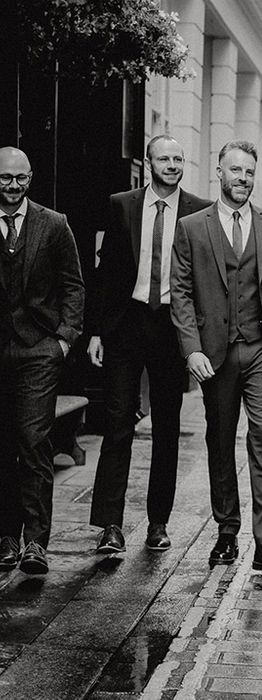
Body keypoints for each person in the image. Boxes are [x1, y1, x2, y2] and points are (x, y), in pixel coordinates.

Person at [170, 140, 262, 573]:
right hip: (215, 353)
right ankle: (227, 530)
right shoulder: (191, 227)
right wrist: (191, 350)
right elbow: (182, 295)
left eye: (249, 171)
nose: (242, 178)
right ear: (219, 173)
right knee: (220, 440)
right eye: (235, 170)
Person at [88, 135, 210, 554]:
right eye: (164, 158)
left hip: (170, 328)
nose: (172, 164)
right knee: (118, 423)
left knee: (167, 429)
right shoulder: (121, 204)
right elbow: (105, 274)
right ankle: (110, 526)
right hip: (127, 323)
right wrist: (97, 331)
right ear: (149, 162)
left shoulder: (199, 210)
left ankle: (158, 522)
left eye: (178, 158)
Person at [0, 146, 84, 575]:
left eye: (21, 178)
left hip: (39, 352)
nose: (13, 186)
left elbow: (74, 285)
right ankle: (5, 537)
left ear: (30, 178)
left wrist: (64, 340)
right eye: (5, 178)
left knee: (34, 444)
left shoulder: (54, 225)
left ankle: (35, 542)